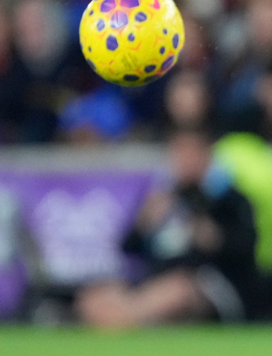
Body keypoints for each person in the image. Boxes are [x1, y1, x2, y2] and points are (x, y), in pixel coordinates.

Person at [75, 128, 262, 329]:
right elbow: (127, 247)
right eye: (178, 152)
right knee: (94, 295)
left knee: (177, 289)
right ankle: (123, 317)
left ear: (206, 155)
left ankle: (123, 319)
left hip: (208, 285)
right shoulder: (165, 198)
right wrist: (143, 224)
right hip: (154, 281)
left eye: (190, 152)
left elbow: (249, 251)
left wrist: (215, 240)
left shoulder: (228, 199)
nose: (184, 160)